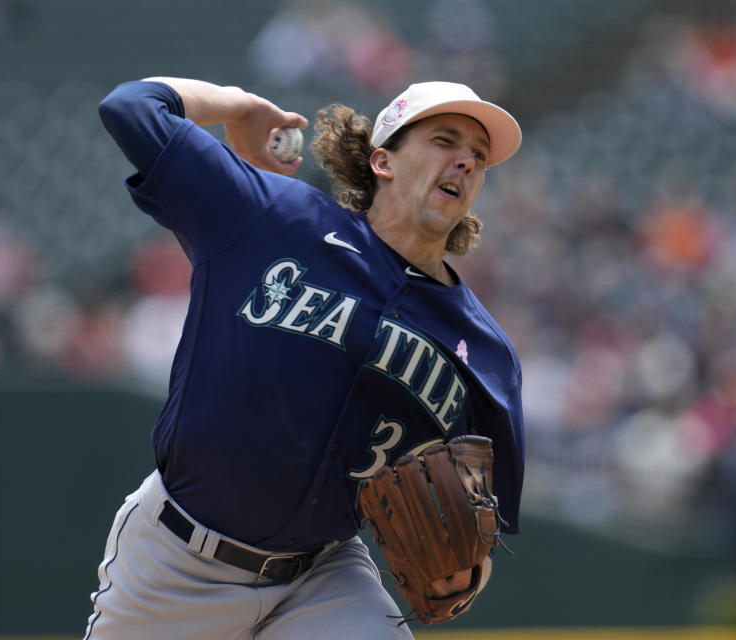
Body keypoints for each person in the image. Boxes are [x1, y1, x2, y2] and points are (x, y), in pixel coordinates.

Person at [87, 76, 525, 639]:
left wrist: (466, 572)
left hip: (323, 577)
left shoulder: (484, 348)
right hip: (176, 564)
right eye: (445, 141)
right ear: (383, 161)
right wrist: (240, 105)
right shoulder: (271, 217)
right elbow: (130, 106)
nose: (466, 162)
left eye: (479, 157)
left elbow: (480, 531)